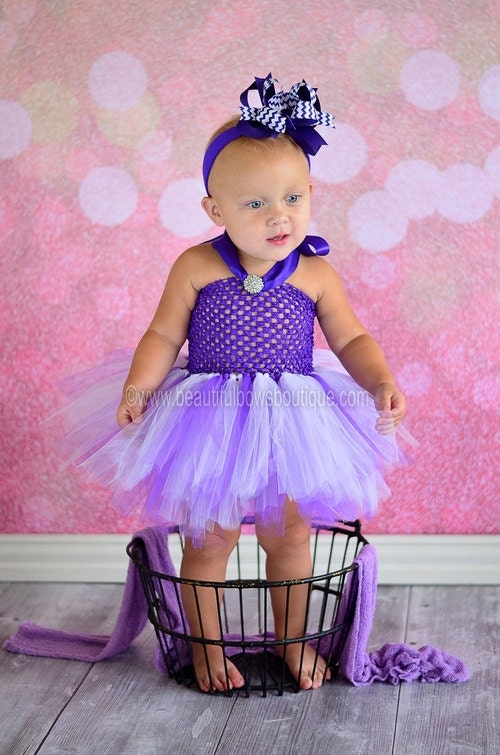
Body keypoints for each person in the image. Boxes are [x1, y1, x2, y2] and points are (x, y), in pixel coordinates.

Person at [68, 74, 408, 693]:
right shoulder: (196, 265)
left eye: (293, 198)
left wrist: (380, 379)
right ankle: (205, 649)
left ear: (310, 195)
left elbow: (351, 340)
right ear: (216, 210)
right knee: (210, 537)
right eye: (256, 204)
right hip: (211, 414)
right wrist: (138, 387)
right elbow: (164, 336)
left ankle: (294, 643)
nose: (280, 216)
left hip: (297, 417)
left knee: (290, 533)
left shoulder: (314, 273)